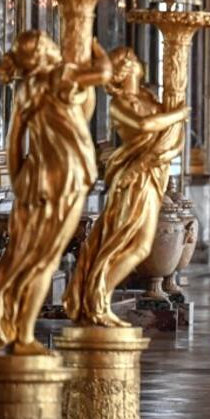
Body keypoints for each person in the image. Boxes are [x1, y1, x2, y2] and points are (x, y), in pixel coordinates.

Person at [0, 32, 111, 355]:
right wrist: (92, 44)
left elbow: (14, 142)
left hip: (35, 180)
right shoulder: (62, 76)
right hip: (63, 181)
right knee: (42, 261)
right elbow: (104, 72)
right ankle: (22, 338)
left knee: (21, 257)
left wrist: (19, 181)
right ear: (46, 53)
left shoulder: (28, 89)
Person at [63, 47, 189, 327]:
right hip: (133, 179)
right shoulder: (119, 104)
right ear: (125, 69)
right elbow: (145, 125)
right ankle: (97, 301)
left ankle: (98, 300)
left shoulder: (148, 97)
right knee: (122, 242)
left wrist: (173, 123)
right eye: (131, 59)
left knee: (139, 246)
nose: (137, 61)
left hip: (151, 175)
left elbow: (169, 137)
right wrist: (177, 114)